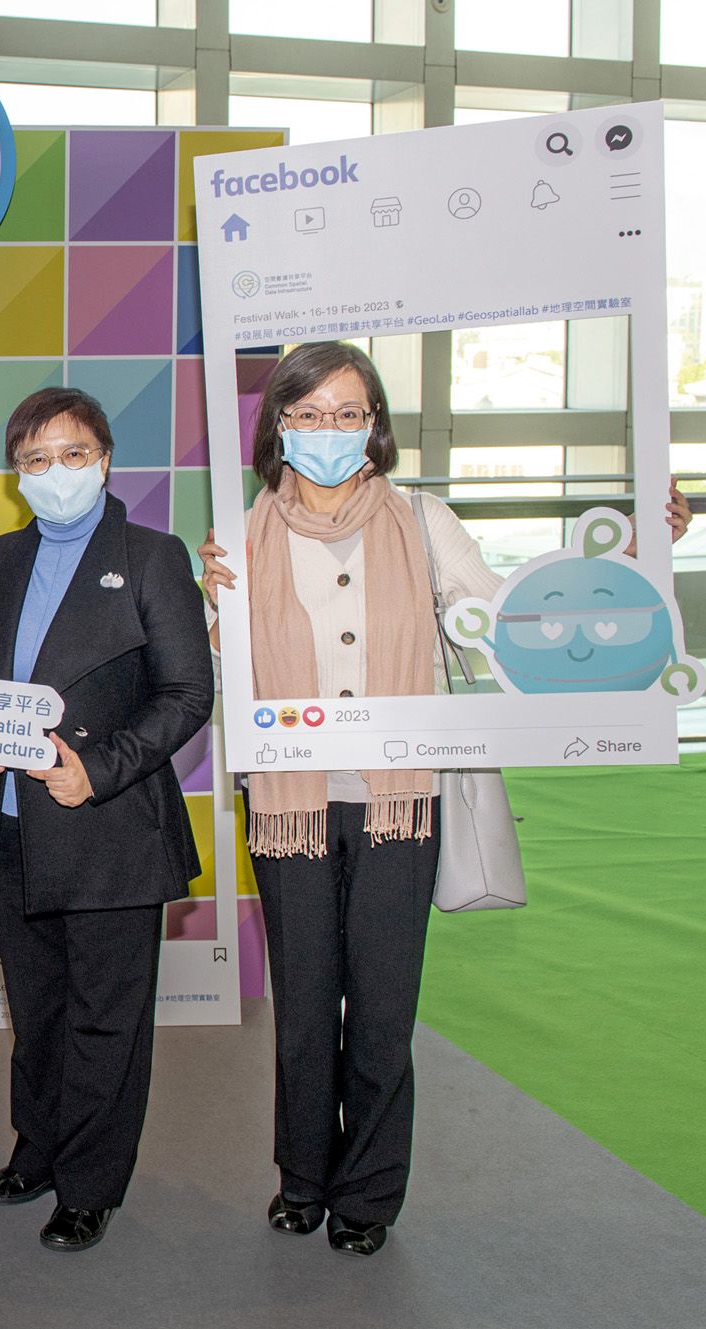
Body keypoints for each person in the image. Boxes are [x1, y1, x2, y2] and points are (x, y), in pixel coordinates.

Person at [198, 340, 690, 1256]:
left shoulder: (424, 521)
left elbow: (512, 622)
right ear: (277, 427)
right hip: (291, 804)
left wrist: (635, 544)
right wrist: (211, 599)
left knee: (382, 1007)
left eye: (348, 413)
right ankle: (301, 1176)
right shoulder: (241, 534)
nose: (328, 431)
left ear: (376, 425)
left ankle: (368, 1197)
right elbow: (223, 670)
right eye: (307, 414)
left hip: (400, 798)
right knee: (305, 1007)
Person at [0, 387, 212, 1252]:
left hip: (108, 832)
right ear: (16, 475)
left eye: (72, 454)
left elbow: (186, 693)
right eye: (34, 459)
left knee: (106, 1017)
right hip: (11, 828)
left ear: (103, 459)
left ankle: (91, 1183)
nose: (55, 472)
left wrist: (96, 770)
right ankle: (39, 1150)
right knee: (38, 1009)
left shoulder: (151, 554)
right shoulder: (0, 558)